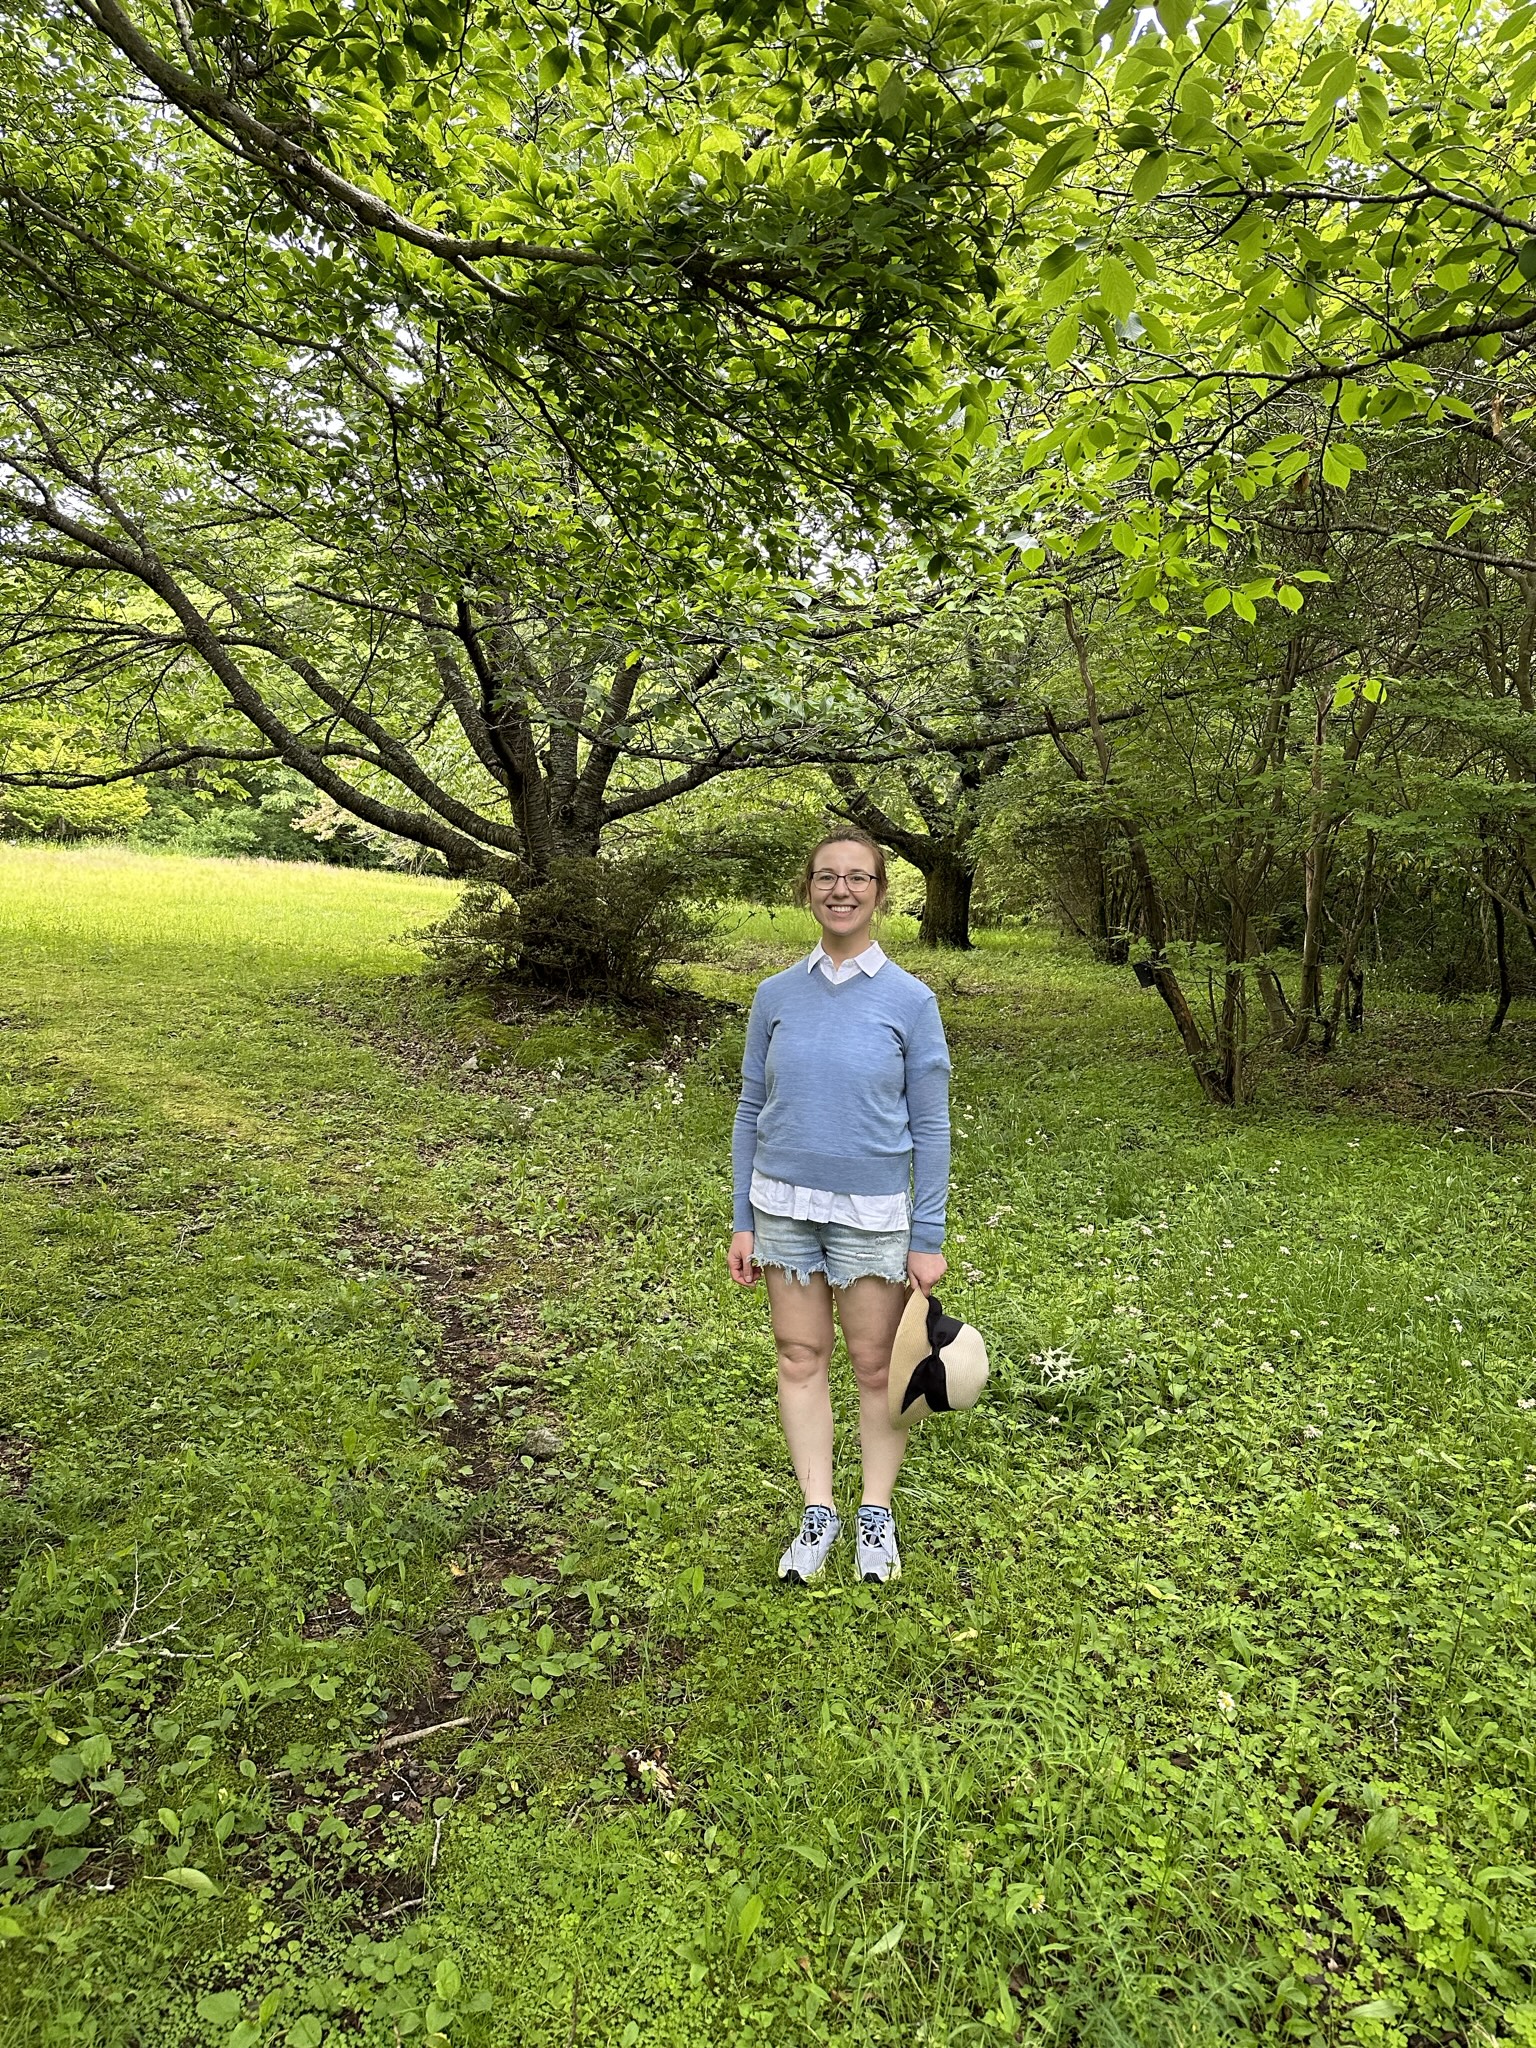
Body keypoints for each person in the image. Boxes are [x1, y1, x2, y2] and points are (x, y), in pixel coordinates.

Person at [728, 831, 951, 1584]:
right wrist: (743, 1217)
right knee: (799, 1358)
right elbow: (751, 1106)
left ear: (881, 892)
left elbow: (932, 1127)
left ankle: (876, 1514)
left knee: (877, 1365)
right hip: (782, 1208)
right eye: (827, 876)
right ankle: (818, 1510)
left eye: (858, 878)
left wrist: (929, 1235)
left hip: (873, 1214)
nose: (842, 890)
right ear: (808, 888)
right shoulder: (775, 996)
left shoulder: (911, 1002)